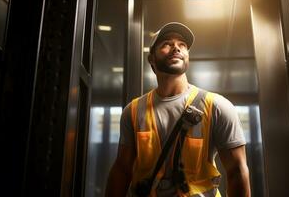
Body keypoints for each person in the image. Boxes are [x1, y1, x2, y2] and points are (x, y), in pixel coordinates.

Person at [105, 22, 251, 197]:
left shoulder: (218, 106)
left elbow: (237, 171)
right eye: (166, 44)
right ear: (151, 59)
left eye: (182, 45)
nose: (176, 48)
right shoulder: (133, 111)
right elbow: (122, 169)